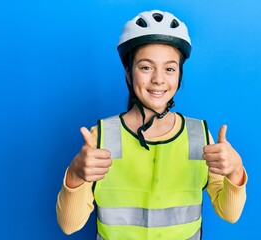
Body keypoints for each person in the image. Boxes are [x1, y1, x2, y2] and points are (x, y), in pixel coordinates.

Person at [56, 9, 247, 240]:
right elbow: (69, 225)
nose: (158, 78)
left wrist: (236, 171)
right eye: (146, 67)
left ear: (179, 75)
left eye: (169, 69)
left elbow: (230, 214)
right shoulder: (101, 137)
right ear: (128, 73)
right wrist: (76, 174)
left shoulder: (199, 136)